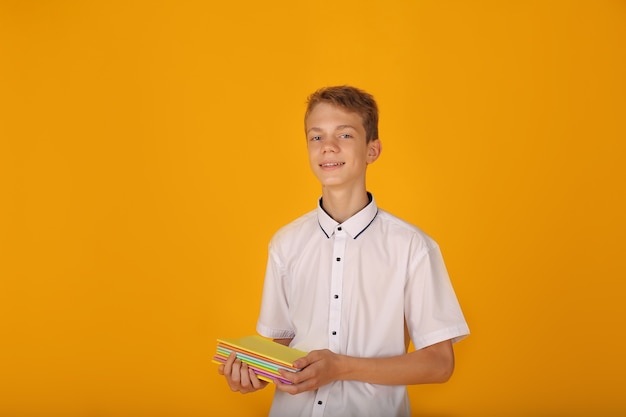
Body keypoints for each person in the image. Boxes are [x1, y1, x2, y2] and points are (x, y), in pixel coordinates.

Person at [218, 85, 470, 417]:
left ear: (372, 150)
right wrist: (253, 373)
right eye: (316, 137)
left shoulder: (412, 247)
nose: (329, 147)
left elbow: (439, 364)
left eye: (346, 135)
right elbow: (278, 342)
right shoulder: (285, 243)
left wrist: (341, 367)